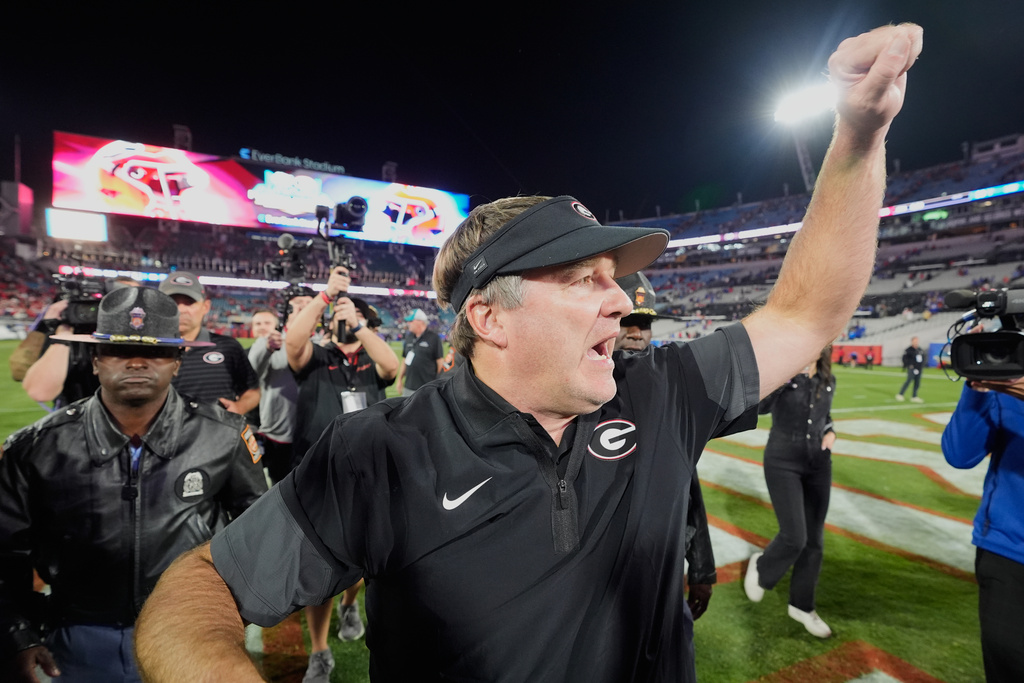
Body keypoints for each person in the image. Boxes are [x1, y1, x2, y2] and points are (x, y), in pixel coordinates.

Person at [134, 23, 923, 683]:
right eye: (584, 279)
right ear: (490, 316)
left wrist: (859, 135)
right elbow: (198, 588)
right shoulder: (383, 450)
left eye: (614, 279)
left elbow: (808, 310)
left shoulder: (661, 391)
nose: (621, 299)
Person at [0, 287, 268, 683]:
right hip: (78, 634)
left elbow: (256, 527)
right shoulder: (36, 447)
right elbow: (7, 552)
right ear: (95, 359)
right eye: (120, 351)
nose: (138, 361)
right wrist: (18, 633)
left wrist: (230, 605)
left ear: (178, 361)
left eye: (157, 351)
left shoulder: (224, 435)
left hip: (187, 628)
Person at [284, 267, 399, 682]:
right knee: (320, 568)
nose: (346, 322)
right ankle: (319, 650)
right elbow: (292, 342)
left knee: (364, 560)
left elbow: (392, 366)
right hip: (318, 479)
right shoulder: (317, 357)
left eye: (353, 317)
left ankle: (351, 605)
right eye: (340, 318)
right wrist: (326, 297)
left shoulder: (371, 359)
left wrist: (360, 324)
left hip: (368, 477)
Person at [614, 271, 717, 621]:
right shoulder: (568, 390)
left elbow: (686, 483)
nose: (636, 332)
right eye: (625, 320)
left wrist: (701, 567)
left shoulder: (667, 391)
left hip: (660, 565)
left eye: (644, 322)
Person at [743, 345, 837, 638]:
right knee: (794, 536)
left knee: (814, 541)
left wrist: (831, 431)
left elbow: (825, 416)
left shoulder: (828, 379)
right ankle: (762, 566)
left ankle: (802, 606)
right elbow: (760, 407)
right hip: (783, 461)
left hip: (819, 463)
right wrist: (784, 376)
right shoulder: (785, 376)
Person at [942, 376, 1024, 682]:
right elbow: (960, 454)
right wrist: (977, 391)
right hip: (1008, 549)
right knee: (1007, 668)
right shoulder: (1011, 371)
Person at [20, 277, 141, 407]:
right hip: (79, 419)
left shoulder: (149, 341)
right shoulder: (71, 337)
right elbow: (40, 392)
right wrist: (64, 332)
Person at [158, 271, 260, 415]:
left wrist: (240, 407)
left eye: (189, 302)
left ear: (205, 306)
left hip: (216, 435)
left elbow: (252, 390)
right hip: (161, 436)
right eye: (172, 302)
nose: (180, 310)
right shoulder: (145, 350)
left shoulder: (228, 347)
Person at [247, 291, 314, 484]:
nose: (303, 308)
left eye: (309, 304)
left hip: (315, 434)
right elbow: (249, 376)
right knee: (280, 491)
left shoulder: (323, 342)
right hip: (279, 435)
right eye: (298, 304)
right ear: (287, 311)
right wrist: (267, 347)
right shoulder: (270, 342)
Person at [395, 308, 444, 395]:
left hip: (427, 388)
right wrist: (399, 379)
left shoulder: (434, 338)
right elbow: (404, 360)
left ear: (420, 321)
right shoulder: (409, 337)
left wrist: (437, 383)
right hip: (408, 387)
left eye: (411, 321)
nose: (408, 323)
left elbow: (440, 363)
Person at [895, 336, 924, 402]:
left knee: (917, 383)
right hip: (912, 368)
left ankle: (914, 396)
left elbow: (923, 358)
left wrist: (921, 366)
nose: (916, 342)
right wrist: (909, 365)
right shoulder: (908, 350)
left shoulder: (920, 349)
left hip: (919, 369)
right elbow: (904, 358)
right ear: (912, 342)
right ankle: (900, 394)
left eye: (917, 341)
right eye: (915, 341)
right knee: (908, 381)